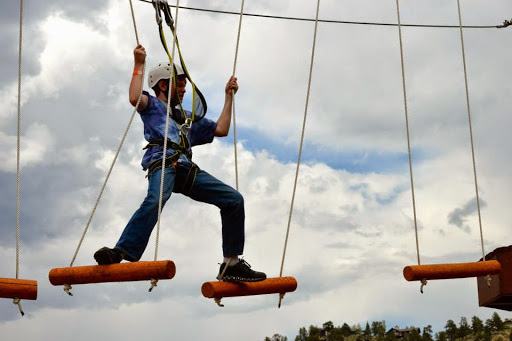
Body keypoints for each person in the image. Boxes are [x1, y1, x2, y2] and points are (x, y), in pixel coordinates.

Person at [93, 44, 266, 283]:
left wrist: (228, 97)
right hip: (162, 161)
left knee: (233, 200)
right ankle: (120, 251)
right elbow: (135, 98)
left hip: (186, 169)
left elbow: (221, 129)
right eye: (180, 84)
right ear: (163, 85)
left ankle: (231, 264)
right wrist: (139, 64)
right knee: (156, 199)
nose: (184, 90)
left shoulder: (186, 118)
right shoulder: (153, 106)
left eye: (184, 85)